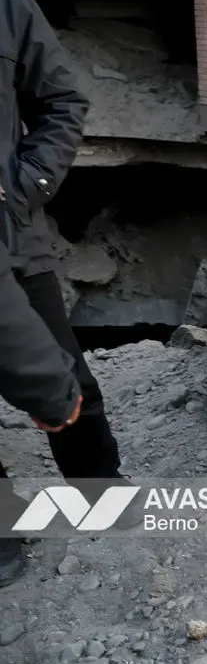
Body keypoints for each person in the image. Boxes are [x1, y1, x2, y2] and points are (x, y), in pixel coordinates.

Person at [1, 0, 129, 543]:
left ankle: (98, 488)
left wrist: (22, 187)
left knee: (65, 372)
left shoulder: (7, 3)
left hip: (14, 236)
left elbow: (61, 101)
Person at [0, 243, 84, 586]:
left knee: (71, 372)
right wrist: (51, 393)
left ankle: (98, 482)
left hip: (21, 238)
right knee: (64, 387)